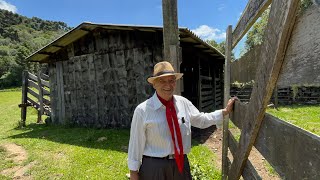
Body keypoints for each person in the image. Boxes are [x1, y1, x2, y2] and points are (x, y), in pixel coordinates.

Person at [128, 61, 236, 180]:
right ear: (154, 84)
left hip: (181, 165)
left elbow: (201, 120)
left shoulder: (183, 103)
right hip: (155, 168)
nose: (168, 85)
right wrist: (133, 172)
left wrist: (224, 112)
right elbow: (135, 143)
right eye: (162, 81)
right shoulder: (142, 110)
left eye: (171, 80)